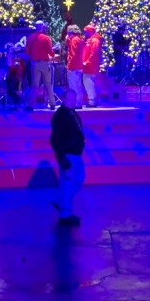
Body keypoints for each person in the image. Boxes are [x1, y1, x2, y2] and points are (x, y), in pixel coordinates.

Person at [49, 88, 85, 226]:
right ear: (63, 99)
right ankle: (65, 213)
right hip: (68, 155)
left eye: (73, 100)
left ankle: (60, 201)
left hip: (76, 153)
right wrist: (64, 161)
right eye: (69, 99)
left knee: (78, 179)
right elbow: (56, 140)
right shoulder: (60, 116)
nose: (72, 102)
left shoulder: (71, 112)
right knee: (68, 183)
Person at [25, 20, 56, 110]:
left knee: (34, 85)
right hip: (45, 63)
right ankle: (52, 104)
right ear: (42, 27)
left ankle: (31, 105)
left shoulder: (30, 38)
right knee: (48, 84)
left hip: (34, 63)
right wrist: (53, 55)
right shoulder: (46, 38)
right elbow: (50, 51)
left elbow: (27, 52)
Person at [82, 24, 103, 107]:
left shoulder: (94, 41)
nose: (85, 33)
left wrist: (87, 62)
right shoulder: (92, 40)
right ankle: (93, 100)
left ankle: (92, 101)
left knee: (89, 83)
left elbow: (94, 53)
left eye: (86, 31)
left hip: (90, 66)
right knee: (89, 83)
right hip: (89, 66)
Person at [64, 24, 85, 105]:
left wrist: (70, 67)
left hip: (74, 66)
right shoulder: (79, 39)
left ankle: (74, 102)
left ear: (70, 31)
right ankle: (79, 101)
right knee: (78, 84)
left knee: (73, 85)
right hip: (79, 65)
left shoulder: (73, 40)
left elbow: (73, 55)